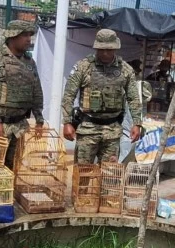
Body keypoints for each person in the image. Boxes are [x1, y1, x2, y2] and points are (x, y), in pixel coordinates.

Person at [61, 29, 142, 164]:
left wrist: (137, 123)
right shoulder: (83, 67)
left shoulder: (125, 70)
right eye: (101, 49)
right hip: (87, 129)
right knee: (82, 174)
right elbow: (69, 95)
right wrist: (67, 122)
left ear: (115, 48)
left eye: (109, 49)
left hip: (113, 131)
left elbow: (133, 98)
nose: (104, 53)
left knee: (108, 174)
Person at [0, 20, 44, 169]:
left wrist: (39, 118)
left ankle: (9, 192)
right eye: (24, 35)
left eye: (30, 35)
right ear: (13, 36)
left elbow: (36, 90)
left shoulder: (29, 62)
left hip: (19, 127)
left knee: (13, 167)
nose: (29, 39)